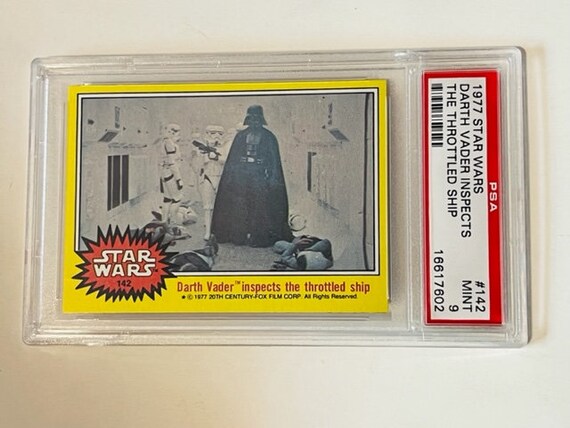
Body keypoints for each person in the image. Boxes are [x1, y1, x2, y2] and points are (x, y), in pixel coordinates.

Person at [211, 105, 292, 247]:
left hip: (259, 176)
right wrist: (233, 177)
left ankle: (259, 237)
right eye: (251, 118)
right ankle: (239, 236)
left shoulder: (269, 137)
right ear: (247, 119)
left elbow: (274, 161)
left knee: (259, 206)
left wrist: (272, 178)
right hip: (242, 176)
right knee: (240, 205)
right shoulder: (240, 136)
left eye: (257, 119)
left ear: (261, 119)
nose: (254, 121)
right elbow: (233, 160)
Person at [195, 125, 227, 241]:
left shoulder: (223, 149)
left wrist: (216, 157)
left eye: (219, 133)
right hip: (208, 177)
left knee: (221, 206)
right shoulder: (202, 150)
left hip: (220, 178)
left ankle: (219, 231)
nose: (216, 136)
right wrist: (205, 156)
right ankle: (208, 232)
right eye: (213, 133)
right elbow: (198, 165)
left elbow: (226, 160)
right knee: (207, 207)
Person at [157, 123, 184, 224]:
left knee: (167, 199)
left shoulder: (165, 142)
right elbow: (172, 163)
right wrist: (178, 179)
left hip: (165, 173)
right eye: (176, 132)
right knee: (178, 198)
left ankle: (164, 221)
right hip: (171, 174)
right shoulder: (169, 144)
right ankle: (174, 222)